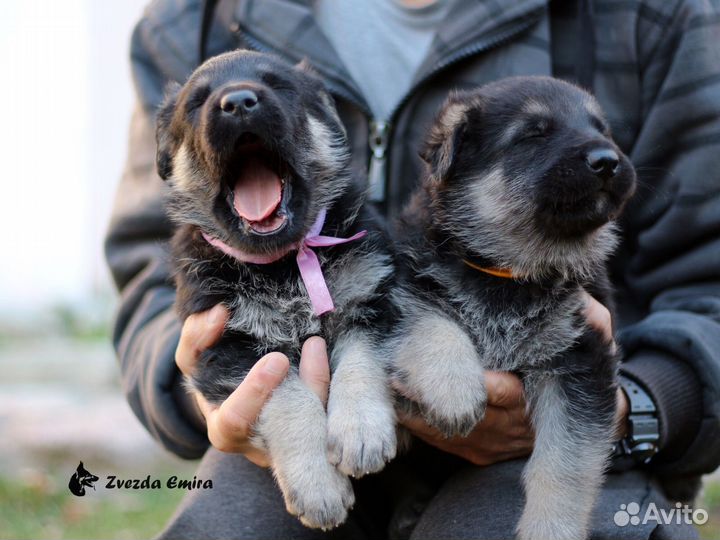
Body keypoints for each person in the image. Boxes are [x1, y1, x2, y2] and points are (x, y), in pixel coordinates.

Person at [105, 0, 720, 538]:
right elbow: (147, 279)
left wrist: (637, 406)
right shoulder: (191, 17)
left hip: (566, 448)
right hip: (301, 444)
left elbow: (708, 283)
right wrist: (210, 393)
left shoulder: (651, 13)